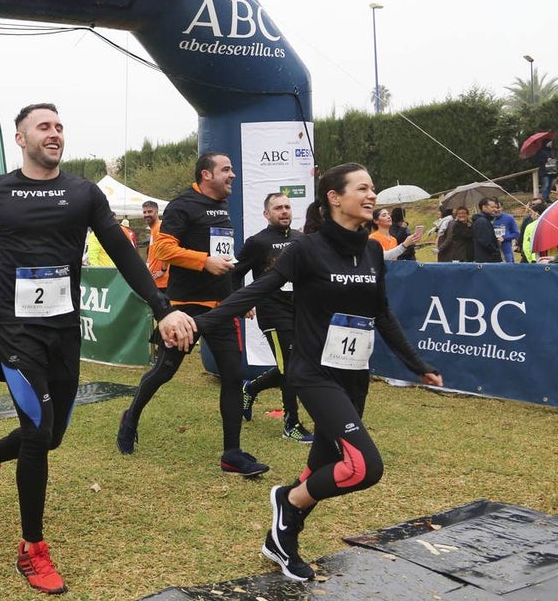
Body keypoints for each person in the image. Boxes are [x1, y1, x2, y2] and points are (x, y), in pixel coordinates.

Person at [0, 103, 192, 595]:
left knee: (51, 435)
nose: (55, 133)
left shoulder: (83, 193)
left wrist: (161, 307)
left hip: (62, 333)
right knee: (37, 429)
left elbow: (124, 253)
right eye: (44, 126)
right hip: (17, 335)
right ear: (21, 139)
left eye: (60, 126)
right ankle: (32, 548)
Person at [187, 162, 443, 583]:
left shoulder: (373, 250)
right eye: (362, 188)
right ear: (334, 197)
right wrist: (199, 323)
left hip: (353, 375)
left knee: (322, 464)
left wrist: (418, 365)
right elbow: (256, 289)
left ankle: (282, 539)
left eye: (373, 187)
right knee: (363, 467)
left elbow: (382, 314)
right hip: (314, 374)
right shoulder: (305, 249)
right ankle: (287, 502)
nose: (372, 195)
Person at [117, 152, 267, 478]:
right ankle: (130, 417)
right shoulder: (182, 206)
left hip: (222, 307)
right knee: (164, 371)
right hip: (185, 309)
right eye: (226, 170)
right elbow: (163, 250)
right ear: (205, 174)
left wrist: (238, 299)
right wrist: (203, 261)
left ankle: (231, 454)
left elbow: (224, 259)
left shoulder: (223, 206)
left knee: (233, 375)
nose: (233, 175)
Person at [234, 193, 313, 443]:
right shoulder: (257, 242)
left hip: (300, 311)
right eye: (278, 208)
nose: (284, 211)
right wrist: (243, 302)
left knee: (290, 366)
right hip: (272, 311)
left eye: (288, 207)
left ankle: (251, 388)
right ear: (267, 214)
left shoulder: (302, 239)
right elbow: (235, 274)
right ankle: (291, 423)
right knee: (290, 367)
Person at [142, 200, 169, 291]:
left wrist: (163, 270)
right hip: (155, 278)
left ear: (156, 212)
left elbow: (166, 249)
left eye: (150, 211)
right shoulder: (154, 228)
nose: (146, 214)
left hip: (162, 280)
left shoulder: (159, 228)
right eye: (144, 212)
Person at [472, 197, 503, 263]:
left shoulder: (486, 220)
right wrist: (496, 249)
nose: (495, 209)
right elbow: (486, 242)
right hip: (487, 260)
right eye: (492, 207)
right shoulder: (482, 221)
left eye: (495, 207)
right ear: (484, 207)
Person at [490, 199, 519, 263]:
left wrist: (504, 238)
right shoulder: (489, 219)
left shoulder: (509, 218)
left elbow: (516, 233)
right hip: (493, 250)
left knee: (509, 269)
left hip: (506, 249)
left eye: (498, 207)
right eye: (494, 208)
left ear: (502, 208)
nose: (496, 210)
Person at [535, 139, 557, 203]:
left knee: (550, 186)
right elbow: (538, 161)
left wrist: (554, 160)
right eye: (550, 143)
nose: (551, 144)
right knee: (546, 185)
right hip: (544, 171)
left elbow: (555, 158)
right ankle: (544, 199)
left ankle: (547, 198)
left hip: (552, 170)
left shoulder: (552, 151)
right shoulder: (541, 152)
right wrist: (546, 159)